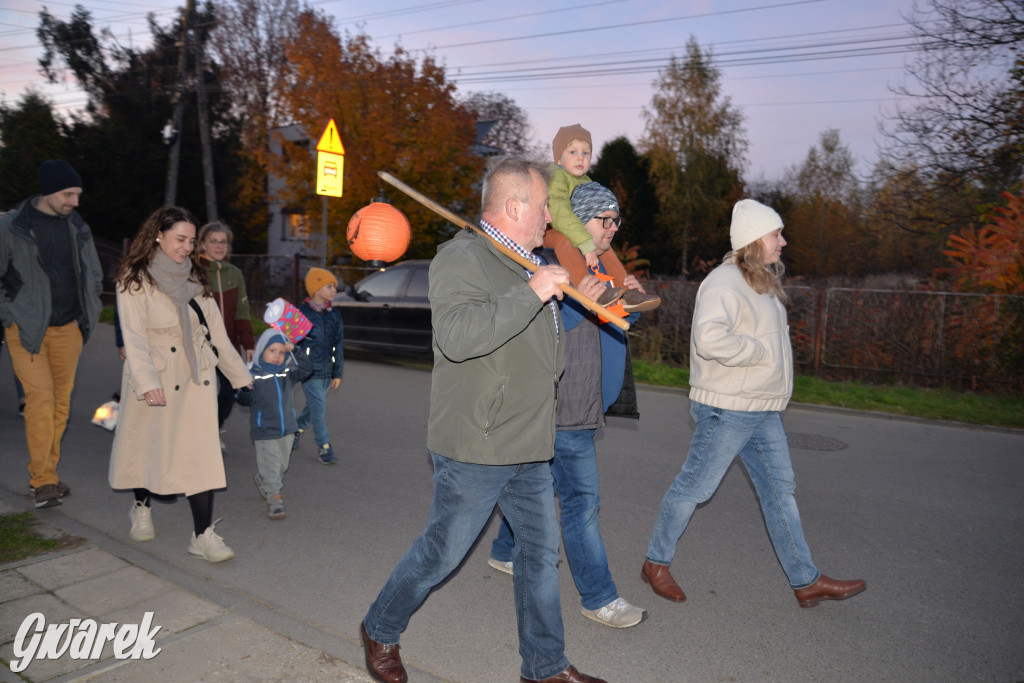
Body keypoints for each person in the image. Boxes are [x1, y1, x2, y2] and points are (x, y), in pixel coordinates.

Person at [360, 157, 606, 683]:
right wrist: (534, 291)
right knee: (442, 551)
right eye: (543, 206)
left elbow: (541, 346)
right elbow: (458, 336)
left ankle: (545, 667)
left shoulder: (523, 261)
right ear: (515, 205)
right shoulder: (463, 257)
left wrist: (546, 296)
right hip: (477, 440)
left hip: (529, 440)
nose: (549, 217)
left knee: (539, 559)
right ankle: (380, 626)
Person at [641, 199, 867, 608]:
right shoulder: (724, 281)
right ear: (752, 240)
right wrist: (757, 353)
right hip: (729, 407)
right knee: (695, 486)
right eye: (776, 233)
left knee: (780, 491)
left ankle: (805, 580)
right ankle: (656, 563)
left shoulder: (760, 282)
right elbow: (710, 338)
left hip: (760, 408)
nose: (783, 240)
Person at [488, 182, 648, 629]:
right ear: (580, 220)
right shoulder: (548, 263)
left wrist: (628, 300)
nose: (612, 229)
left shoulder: (600, 265)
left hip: (584, 402)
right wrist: (584, 304)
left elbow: (614, 323)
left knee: (540, 484)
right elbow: (539, 324)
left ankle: (504, 551)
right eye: (604, 220)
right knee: (581, 503)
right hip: (563, 406)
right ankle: (599, 598)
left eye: (617, 221)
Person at [108, 206, 252, 563]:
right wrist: (146, 381)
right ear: (158, 235)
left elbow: (215, 331)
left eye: (191, 240)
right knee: (147, 447)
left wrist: (241, 378)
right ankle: (141, 507)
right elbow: (135, 335)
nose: (188, 247)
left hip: (194, 376)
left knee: (199, 455)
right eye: (180, 239)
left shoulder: (196, 277)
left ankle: (202, 535)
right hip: (154, 372)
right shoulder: (133, 276)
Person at [0, 160, 103, 508]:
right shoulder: (13, 226)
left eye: (77, 194)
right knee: (41, 401)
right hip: (27, 331)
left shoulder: (76, 226)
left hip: (68, 329)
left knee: (60, 406)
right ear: (49, 191)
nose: (75, 201)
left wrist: (87, 315)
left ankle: (49, 474)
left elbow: (93, 273)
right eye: (68, 194)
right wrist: (9, 314)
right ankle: (42, 480)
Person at [548, 123, 659, 313]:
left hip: (576, 231)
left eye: (586, 153)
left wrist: (589, 243)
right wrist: (585, 242)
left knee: (605, 248)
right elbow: (560, 213)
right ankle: (590, 290)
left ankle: (626, 293)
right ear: (558, 157)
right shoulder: (556, 176)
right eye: (573, 152)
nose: (580, 158)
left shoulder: (585, 181)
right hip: (551, 231)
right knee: (565, 240)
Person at [235, 328, 312, 519]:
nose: (277, 356)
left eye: (281, 352)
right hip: (265, 430)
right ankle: (275, 500)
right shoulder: (253, 375)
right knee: (272, 464)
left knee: (281, 465)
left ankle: (263, 480)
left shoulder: (288, 373)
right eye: (272, 351)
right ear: (262, 350)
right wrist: (244, 391)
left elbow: (307, 369)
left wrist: (294, 350)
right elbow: (244, 400)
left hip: (288, 428)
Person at [198, 222, 256, 436]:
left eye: (223, 242)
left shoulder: (235, 273)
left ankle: (215, 427)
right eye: (213, 241)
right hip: (200, 346)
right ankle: (202, 435)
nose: (219, 246)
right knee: (203, 392)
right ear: (203, 244)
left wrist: (248, 343)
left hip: (228, 346)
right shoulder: (194, 271)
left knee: (229, 391)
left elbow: (242, 310)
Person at [294, 267, 344, 464]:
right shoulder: (301, 313)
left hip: (327, 371)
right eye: (329, 286)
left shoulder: (334, 314)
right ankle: (324, 447)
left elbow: (339, 344)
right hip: (309, 372)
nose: (334, 290)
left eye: (334, 287)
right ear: (316, 289)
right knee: (319, 411)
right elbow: (293, 342)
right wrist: (299, 364)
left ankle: (295, 431)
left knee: (313, 407)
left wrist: (337, 373)